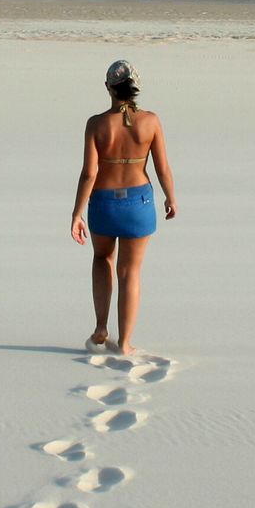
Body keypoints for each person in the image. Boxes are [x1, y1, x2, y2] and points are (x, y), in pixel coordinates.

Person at [69, 59, 177, 356]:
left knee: (102, 258)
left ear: (108, 87)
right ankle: (125, 342)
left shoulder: (96, 124)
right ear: (136, 87)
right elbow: (163, 168)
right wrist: (170, 197)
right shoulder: (151, 121)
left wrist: (77, 213)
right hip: (138, 204)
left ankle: (101, 326)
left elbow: (89, 173)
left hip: (103, 203)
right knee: (130, 272)